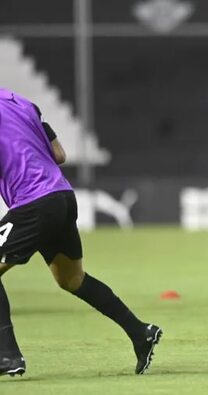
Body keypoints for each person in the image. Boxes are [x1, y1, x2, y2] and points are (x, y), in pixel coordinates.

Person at [0, 88, 162, 377]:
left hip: (33, 202)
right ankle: (141, 333)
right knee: (72, 279)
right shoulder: (23, 103)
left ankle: (8, 357)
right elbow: (59, 154)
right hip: (62, 196)